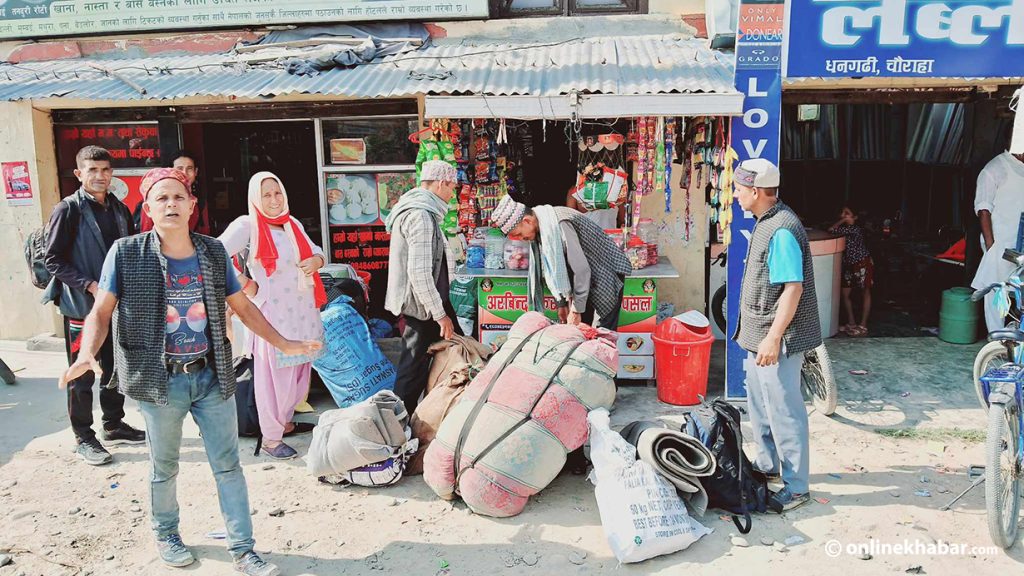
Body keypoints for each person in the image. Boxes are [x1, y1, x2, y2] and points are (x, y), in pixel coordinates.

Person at [59, 167, 321, 574]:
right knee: (164, 467)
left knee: (228, 465)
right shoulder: (126, 252)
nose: (171, 204)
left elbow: (243, 306)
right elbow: (102, 309)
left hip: (211, 375)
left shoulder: (212, 252)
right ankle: (167, 534)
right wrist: (85, 353)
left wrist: (283, 342)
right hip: (159, 379)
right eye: (161, 199)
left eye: (179, 197)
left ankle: (243, 548)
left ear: (192, 206)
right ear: (148, 208)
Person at [43, 145, 144, 466]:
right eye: (92, 170)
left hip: (116, 304)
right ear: (79, 174)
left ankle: (113, 423)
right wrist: (89, 284)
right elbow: (52, 259)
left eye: (105, 170)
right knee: (83, 372)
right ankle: (83, 436)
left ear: (112, 173)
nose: (100, 176)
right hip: (81, 307)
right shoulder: (68, 210)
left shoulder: (118, 208)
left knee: (115, 368)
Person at [732, 158, 821, 512]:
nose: (735, 196)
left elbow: (793, 289)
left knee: (785, 410)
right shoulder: (765, 222)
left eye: (739, 190)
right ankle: (768, 466)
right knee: (761, 406)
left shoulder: (782, 229)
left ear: (756, 191)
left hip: (777, 339)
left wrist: (772, 338)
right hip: (758, 337)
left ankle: (797, 487)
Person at [219, 171, 327, 460]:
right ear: (256, 197)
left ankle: (285, 423)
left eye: (277, 193)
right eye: (266, 194)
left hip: (303, 312)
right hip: (271, 314)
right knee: (274, 379)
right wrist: (245, 284)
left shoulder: (291, 224)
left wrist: (315, 261)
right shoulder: (248, 225)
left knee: (299, 374)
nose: (274, 200)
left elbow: (319, 252)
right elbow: (215, 253)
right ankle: (270, 438)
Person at [384, 160, 463, 415]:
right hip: (422, 305)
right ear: (441, 184)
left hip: (430, 301)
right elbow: (418, 272)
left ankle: (436, 414)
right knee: (412, 369)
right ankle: (398, 424)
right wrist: (440, 315)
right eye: (452, 187)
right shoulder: (420, 215)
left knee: (454, 351)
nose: (453, 193)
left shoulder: (421, 210)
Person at [491, 195, 632, 330]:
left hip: (605, 276)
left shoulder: (559, 223)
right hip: (586, 282)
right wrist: (561, 304)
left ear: (527, 221)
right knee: (581, 335)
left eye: (519, 234)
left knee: (602, 339)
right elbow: (553, 269)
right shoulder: (543, 228)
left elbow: (581, 270)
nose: (522, 239)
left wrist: (576, 310)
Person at [972, 151, 1024, 332]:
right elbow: (983, 209)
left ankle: (1015, 340)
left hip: (1021, 245)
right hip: (1000, 245)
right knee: (996, 293)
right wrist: (991, 245)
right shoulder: (995, 168)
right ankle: (997, 342)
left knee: (1018, 294)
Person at [829, 206, 873, 337]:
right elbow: (831, 230)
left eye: (847, 213)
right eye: (842, 212)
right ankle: (852, 322)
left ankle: (863, 325)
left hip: (862, 263)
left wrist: (842, 221)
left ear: (855, 217)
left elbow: (832, 229)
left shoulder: (855, 229)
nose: (843, 215)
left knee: (865, 292)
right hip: (849, 264)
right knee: (845, 293)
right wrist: (844, 219)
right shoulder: (846, 230)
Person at [137, 151, 203, 233]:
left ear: (195, 172)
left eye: (189, 169)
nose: (184, 173)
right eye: (179, 169)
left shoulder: (196, 198)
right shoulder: (154, 199)